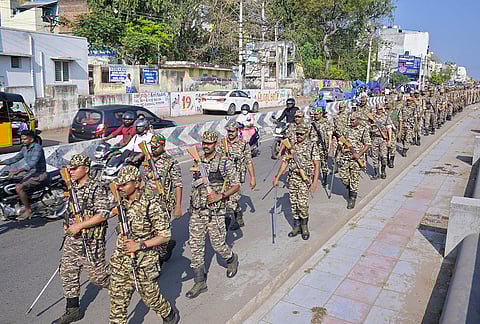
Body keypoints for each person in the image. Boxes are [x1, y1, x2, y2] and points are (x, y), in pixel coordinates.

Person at [109, 166, 179, 324]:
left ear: (136, 183)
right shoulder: (122, 201)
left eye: (124, 185)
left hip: (143, 258)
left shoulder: (151, 205)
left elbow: (165, 236)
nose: (120, 188)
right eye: (119, 185)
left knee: (150, 295)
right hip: (121, 258)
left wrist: (139, 245)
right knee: (117, 299)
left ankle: (168, 313)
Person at [51, 154, 110, 324]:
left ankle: (120, 285)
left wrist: (80, 226)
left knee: (97, 276)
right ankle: (73, 310)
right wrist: (68, 224)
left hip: (90, 240)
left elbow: (103, 214)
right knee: (67, 271)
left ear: (86, 169)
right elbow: (70, 210)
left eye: (75, 168)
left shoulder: (96, 188)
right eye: (70, 168)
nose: (71, 171)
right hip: (73, 239)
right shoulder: (72, 187)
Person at [186, 131, 240, 299]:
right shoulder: (198, 161)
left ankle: (231, 259)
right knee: (195, 247)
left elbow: (236, 185)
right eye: (204, 143)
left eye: (209, 143)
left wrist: (221, 196)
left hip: (215, 211)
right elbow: (195, 186)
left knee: (218, 245)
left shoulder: (224, 163)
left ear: (215, 143)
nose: (206, 146)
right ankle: (200, 282)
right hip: (197, 210)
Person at [273, 124, 320, 240]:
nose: (298, 136)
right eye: (297, 134)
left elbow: (317, 165)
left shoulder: (312, 146)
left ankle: (304, 226)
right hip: (292, 178)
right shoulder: (291, 146)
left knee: (302, 204)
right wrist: (277, 177)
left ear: (306, 134)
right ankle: (296, 226)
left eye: (301, 134)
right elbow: (285, 162)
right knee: (293, 204)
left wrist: (314, 183)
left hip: (305, 179)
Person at [144, 134, 183, 266]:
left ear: (163, 146)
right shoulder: (147, 159)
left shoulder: (170, 162)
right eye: (152, 146)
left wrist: (178, 206)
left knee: (161, 231)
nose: (153, 149)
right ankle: (163, 248)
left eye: (156, 146)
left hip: (163, 203)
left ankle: (159, 260)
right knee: (148, 231)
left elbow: (178, 184)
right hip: (147, 202)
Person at [0, 130, 47, 220]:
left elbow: (32, 164)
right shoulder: (25, 148)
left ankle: (28, 210)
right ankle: (15, 202)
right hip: (30, 173)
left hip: (39, 173)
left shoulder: (37, 148)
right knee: (8, 179)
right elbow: (15, 158)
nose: (23, 141)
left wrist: (17, 171)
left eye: (25, 139)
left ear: (31, 139)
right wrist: (1, 163)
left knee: (19, 187)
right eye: (22, 139)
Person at [218, 121, 256, 230]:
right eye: (228, 131)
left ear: (237, 131)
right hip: (224, 176)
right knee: (228, 198)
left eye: (232, 131)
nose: (230, 133)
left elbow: (249, 161)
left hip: (237, 176)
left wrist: (252, 178)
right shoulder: (223, 143)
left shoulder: (243, 144)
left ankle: (225, 224)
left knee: (232, 199)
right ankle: (239, 219)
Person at [338, 112, 371, 209]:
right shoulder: (347, 128)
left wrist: (359, 154)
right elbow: (342, 139)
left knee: (354, 179)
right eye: (351, 119)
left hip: (356, 159)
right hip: (345, 157)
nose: (351, 121)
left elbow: (367, 144)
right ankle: (350, 187)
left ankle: (352, 198)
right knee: (343, 177)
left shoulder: (363, 130)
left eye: (353, 120)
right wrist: (340, 146)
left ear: (358, 120)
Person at [310, 106, 333, 186]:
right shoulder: (312, 123)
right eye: (314, 114)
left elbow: (330, 135)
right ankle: (313, 178)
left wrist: (329, 147)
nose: (315, 116)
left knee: (324, 163)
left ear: (321, 114)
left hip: (323, 146)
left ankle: (325, 178)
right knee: (314, 162)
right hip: (314, 146)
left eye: (317, 114)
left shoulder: (326, 123)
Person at [369, 104, 392, 180]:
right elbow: (368, 127)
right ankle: (376, 173)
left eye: (381, 109)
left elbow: (389, 129)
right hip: (374, 138)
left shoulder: (386, 117)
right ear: (376, 109)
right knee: (375, 157)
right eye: (379, 109)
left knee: (384, 157)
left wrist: (389, 140)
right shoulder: (372, 117)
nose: (380, 110)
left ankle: (383, 171)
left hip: (383, 139)